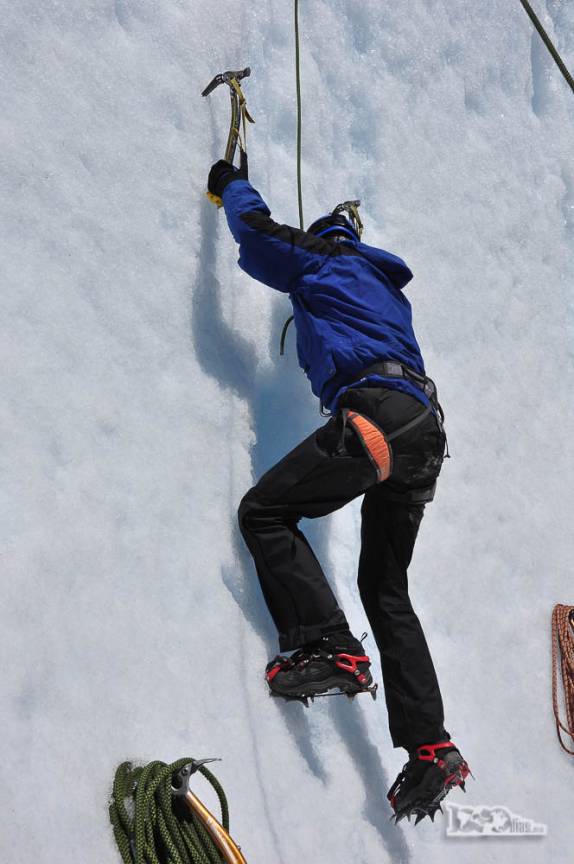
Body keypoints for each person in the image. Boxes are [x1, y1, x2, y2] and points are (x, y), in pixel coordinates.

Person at [207, 156, 470, 823]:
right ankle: (431, 746)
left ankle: (331, 646)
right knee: (386, 588)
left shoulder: (327, 260)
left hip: (376, 414)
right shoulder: (388, 291)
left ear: (330, 237)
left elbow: (261, 237)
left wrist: (230, 185)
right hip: (422, 434)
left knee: (265, 512)